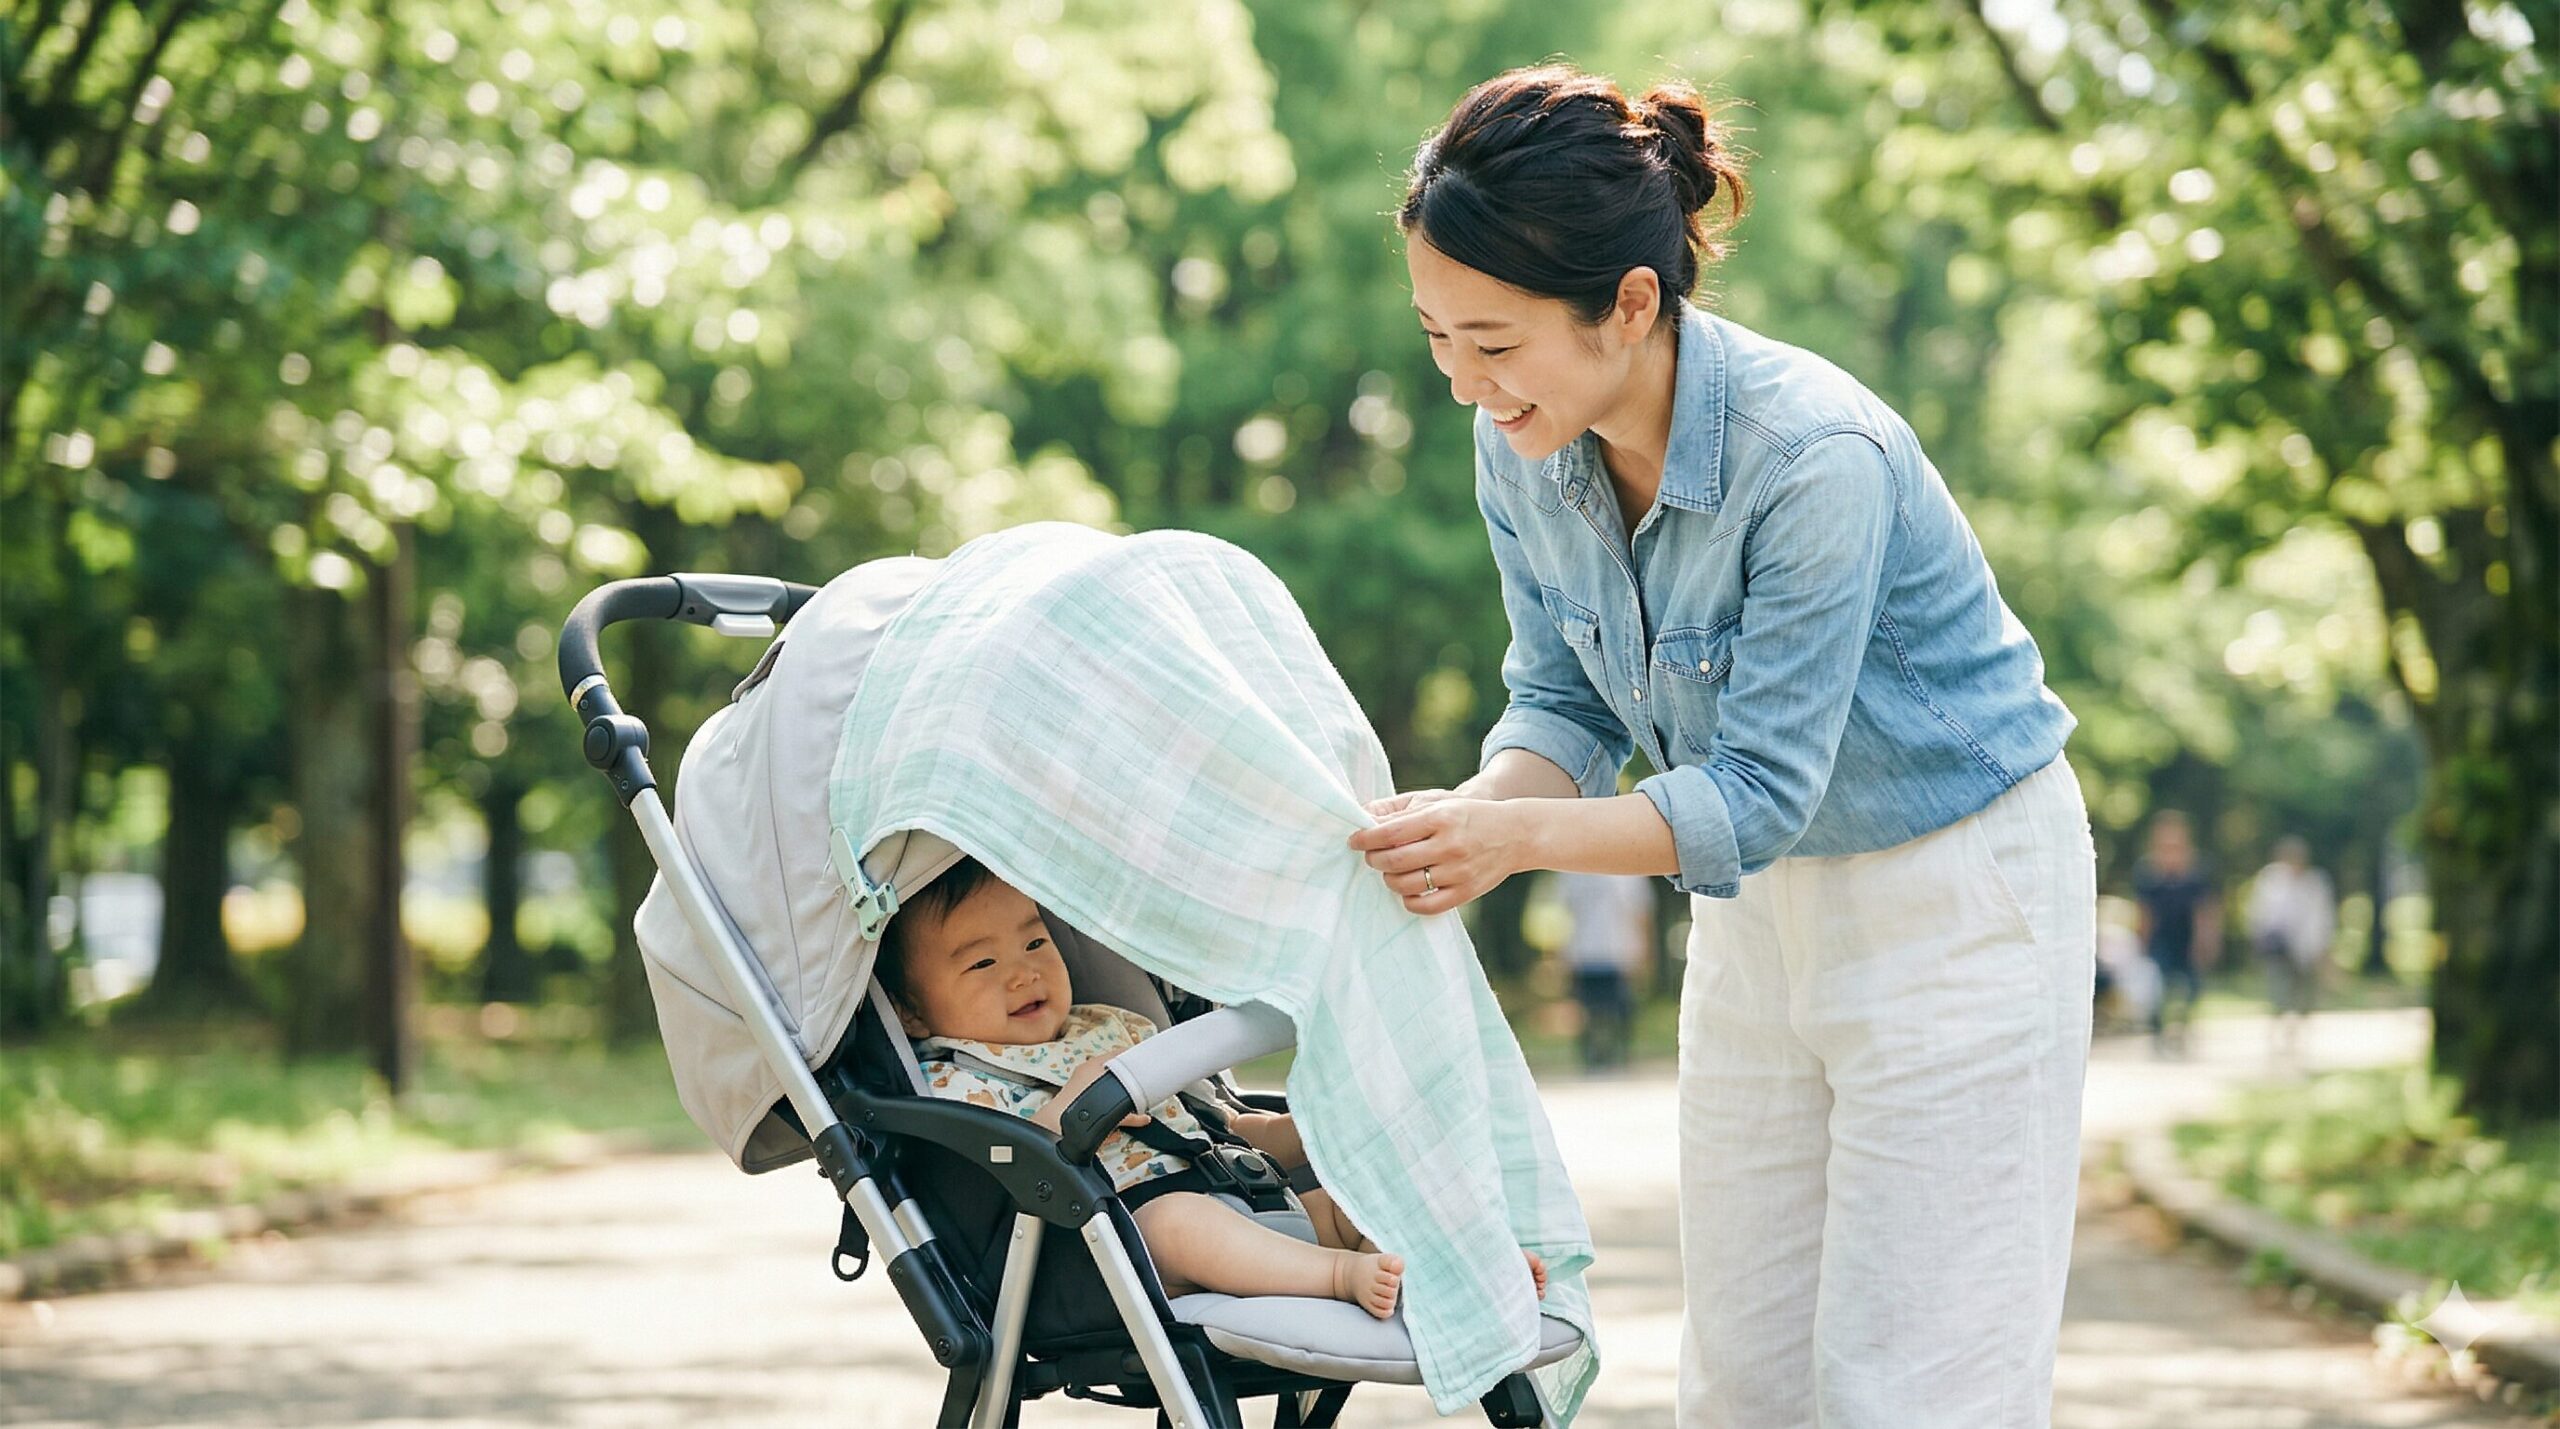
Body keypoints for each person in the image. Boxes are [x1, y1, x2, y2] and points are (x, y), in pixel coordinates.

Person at [1344, 65, 2095, 1428]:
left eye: (1496, 342)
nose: (1462, 383)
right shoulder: (1524, 443)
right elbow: (1562, 701)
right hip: (1759, 914)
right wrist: (1468, 822)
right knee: (1745, 1380)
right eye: (1436, 335)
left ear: (1632, 305)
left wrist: (1511, 840)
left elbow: (1754, 792)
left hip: (1960, 899)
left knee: (1915, 1386)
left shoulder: (1814, 457)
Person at [880, 856, 1543, 1320]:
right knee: (1176, 1223)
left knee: (1352, 1190)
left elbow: (1218, 1122)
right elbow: (1004, 1171)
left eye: (1035, 942)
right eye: (985, 961)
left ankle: (1454, 1270)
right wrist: (1065, 1110)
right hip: (1114, 1248)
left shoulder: (1110, 1026)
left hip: (1242, 1200)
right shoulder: (952, 1080)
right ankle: (1339, 1277)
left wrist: (1319, 1130)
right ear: (912, 1009)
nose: (1023, 974)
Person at [2132, 810, 2219, 1055]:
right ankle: (2159, 1033)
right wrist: (2141, 942)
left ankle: (2182, 1029)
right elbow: (2144, 912)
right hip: (2160, 940)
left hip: (2188, 939)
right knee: (2157, 989)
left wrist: (2206, 941)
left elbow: (2205, 911)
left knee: (2191, 988)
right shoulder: (2148, 873)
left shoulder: (2196, 872)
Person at [1554, 870, 1654, 1067]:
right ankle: (1592, 1057)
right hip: (1585, 952)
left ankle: (1619, 1055)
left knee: (1621, 1008)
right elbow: (1561, 915)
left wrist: (1644, 950)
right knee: (1587, 1009)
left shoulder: (1629, 871)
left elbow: (1642, 914)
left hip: (1619, 951)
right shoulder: (1571, 871)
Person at [2245, 835, 2334, 1053]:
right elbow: (2260, 914)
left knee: (2305, 992)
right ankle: (2279, 1032)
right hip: (2279, 948)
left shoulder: (2315, 883)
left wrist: (2322, 948)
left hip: (2307, 949)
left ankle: (2300, 1032)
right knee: (2279, 989)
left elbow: (2322, 918)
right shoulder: (2271, 881)